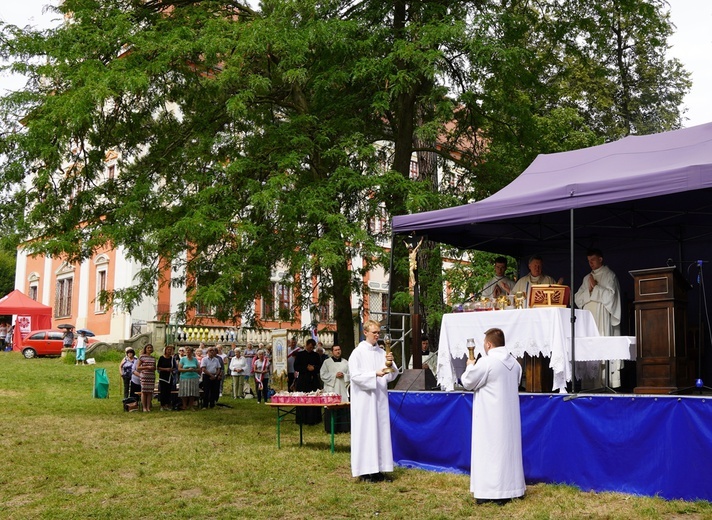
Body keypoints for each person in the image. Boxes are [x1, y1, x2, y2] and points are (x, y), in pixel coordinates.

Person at [461, 327, 525, 505]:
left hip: (489, 417)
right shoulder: (515, 364)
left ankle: (490, 491)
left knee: (489, 451)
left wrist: (470, 365)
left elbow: (467, 382)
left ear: (489, 345)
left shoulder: (487, 362)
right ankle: (512, 488)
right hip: (509, 416)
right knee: (507, 451)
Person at [349, 320, 398, 482]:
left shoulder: (381, 352)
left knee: (380, 433)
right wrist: (374, 374)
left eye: (378, 333)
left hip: (379, 399)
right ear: (365, 333)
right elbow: (355, 376)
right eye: (374, 332)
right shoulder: (357, 353)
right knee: (365, 433)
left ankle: (379, 468)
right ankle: (364, 470)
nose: (377, 335)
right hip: (364, 400)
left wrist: (390, 364)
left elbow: (392, 374)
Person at [574, 248, 622, 388]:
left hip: (602, 317)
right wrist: (590, 290)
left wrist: (596, 288)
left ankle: (603, 382)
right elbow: (577, 298)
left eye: (593, 260)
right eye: (589, 261)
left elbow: (611, 298)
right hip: (590, 318)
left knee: (602, 347)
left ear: (600, 259)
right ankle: (589, 384)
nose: (591, 264)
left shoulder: (609, 275)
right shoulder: (586, 278)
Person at [320, 345, 350, 433]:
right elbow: (323, 375)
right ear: (332, 352)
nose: (338, 351)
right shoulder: (327, 362)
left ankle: (344, 428)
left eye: (339, 349)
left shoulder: (346, 362)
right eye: (336, 350)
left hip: (342, 388)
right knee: (331, 406)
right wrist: (334, 376)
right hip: (331, 388)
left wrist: (344, 376)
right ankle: (331, 428)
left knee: (343, 406)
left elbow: (351, 375)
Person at [294, 338, 323, 425]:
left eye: (312, 348)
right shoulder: (300, 354)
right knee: (303, 399)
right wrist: (306, 368)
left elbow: (319, 367)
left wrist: (314, 368)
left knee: (313, 398)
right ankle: (302, 418)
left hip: (313, 380)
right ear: (306, 345)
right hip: (303, 379)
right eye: (309, 347)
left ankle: (313, 419)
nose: (311, 349)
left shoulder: (316, 355)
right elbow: (296, 367)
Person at [178, 346, 201, 411]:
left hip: (194, 377)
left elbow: (199, 368)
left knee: (192, 392)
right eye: (187, 351)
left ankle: (191, 406)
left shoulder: (195, 359)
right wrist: (187, 370)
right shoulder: (182, 359)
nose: (188, 352)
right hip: (184, 377)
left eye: (189, 351)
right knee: (184, 392)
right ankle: (184, 405)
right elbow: (179, 369)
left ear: (192, 352)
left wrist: (194, 369)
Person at [137, 344, 156, 412]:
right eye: (148, 348)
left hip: (151, 376)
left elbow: (155, 367)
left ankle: (148, 407)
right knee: (144, 392)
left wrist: (153, 368)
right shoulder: (142, 357)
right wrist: (147, 367)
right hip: (144, 375)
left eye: (151, 348)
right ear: (145, 349)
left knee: (150, 392)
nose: (149, 349)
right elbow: (138, 367)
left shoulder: (153, 358)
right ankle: (144, 407)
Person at [157, 345, 177, 411]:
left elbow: (175, 367)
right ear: (165, 350)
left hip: (170, 377)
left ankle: (167, 405)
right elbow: (158, 367)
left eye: (170, 350)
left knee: (168, 391)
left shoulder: (172, 359)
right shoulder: (161, 358)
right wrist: (166, 369)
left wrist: (172, 370)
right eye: (168, 350)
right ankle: (162, 405)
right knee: (163, 391)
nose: (169, 351)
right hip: (163, 377)